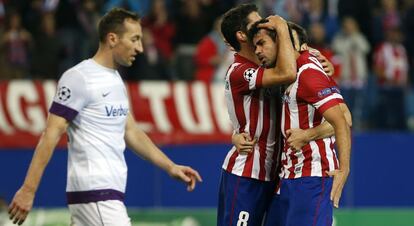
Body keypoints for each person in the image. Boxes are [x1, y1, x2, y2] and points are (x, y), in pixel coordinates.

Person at [8, 8, 202, 226]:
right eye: (134, 39)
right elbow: (50, 134)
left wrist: (170, 166)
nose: (140, 47)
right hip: (96, 193)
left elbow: (131, 132)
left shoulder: (115, 79)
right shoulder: (79, 78)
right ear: (112, 39)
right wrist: (28, 189)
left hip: (104, 194)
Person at [218, 4, 336, 226]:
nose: (266, 25)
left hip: (278, 175)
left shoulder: (273, 62)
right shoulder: (239, 71)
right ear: (242, 35)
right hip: (247, 175)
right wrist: (282, 27)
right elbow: (287, 72)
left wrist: (315, 61)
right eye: (258, 23)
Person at [248, 20, 352, 226]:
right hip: (288, 176)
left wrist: (344, 169)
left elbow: (344, 118)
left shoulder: (309, 73)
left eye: (262, 44)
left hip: (311, 176)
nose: (257, 51)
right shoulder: (285, 74)